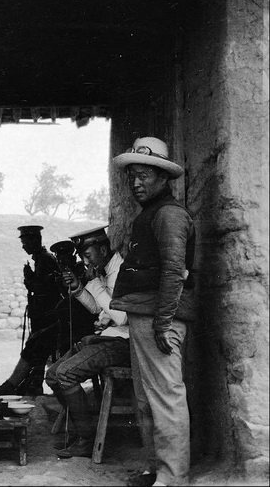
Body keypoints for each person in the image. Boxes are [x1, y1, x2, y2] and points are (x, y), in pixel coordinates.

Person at [110, 137, 196, 487]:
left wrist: (163, 322)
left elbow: (175, 271)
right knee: (147, 397)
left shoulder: (170, 215)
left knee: (165, 396)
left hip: (160, 318)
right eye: (132, 176)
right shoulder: (151, 214)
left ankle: (173, 477)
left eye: (145, 175)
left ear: (164, 178)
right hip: (144, 316)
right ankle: (155, 469)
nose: (136, 183)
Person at [44, 226, 130, 458]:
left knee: (66, 374)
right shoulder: (103, 269)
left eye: (88, 256)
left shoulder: (120, 269)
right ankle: (82, 428)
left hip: (122, 343)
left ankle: (86, 437)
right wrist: (78, 288)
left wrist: (93, 285)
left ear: (103, 249)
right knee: (52, 374)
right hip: (108, 338)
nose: (85, 261)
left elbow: (121, 316)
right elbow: (96, 308)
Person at [0, 225, 93, 397]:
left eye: (66, 258)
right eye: (60, 259)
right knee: (37, 342)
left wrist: (31, 281)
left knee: (39, 342)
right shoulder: (47, 263)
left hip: (67, 323)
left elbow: (56, 296)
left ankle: (21, 384)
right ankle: (24, 384)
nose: (62, 262)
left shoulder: (57, 264)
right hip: (58, 319)